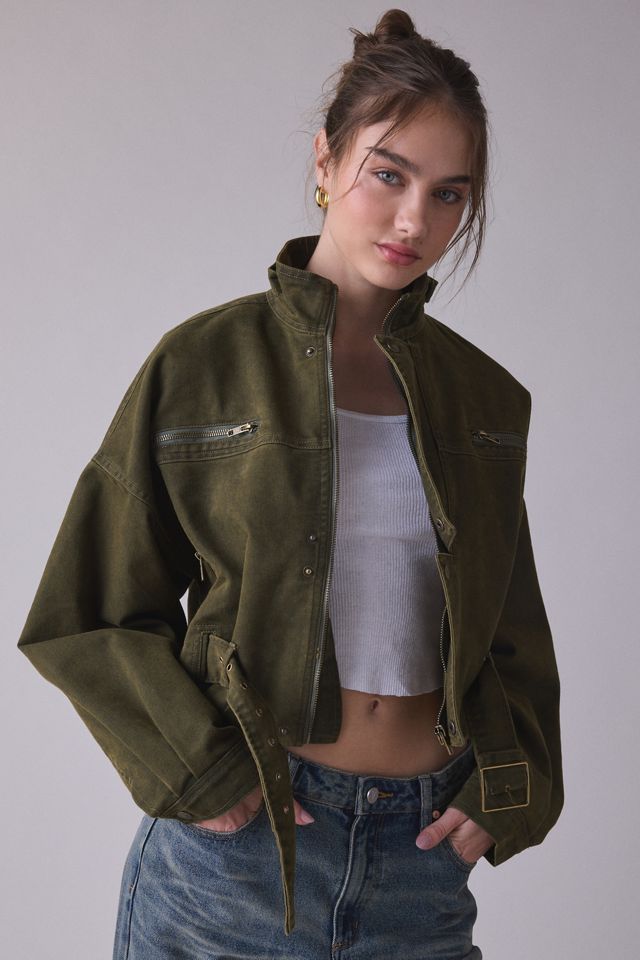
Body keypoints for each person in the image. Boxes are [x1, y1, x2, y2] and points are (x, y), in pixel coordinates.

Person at [17, 8, 563, 959]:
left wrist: (510, 792)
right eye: (388, 174)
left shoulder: (484, 398)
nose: (414, 220)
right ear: (325, 158)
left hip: (421, 867)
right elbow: (87, 612)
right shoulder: (202, 364)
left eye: (448, 194)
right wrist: (199, 770)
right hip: (237, 863)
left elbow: (509, 631)